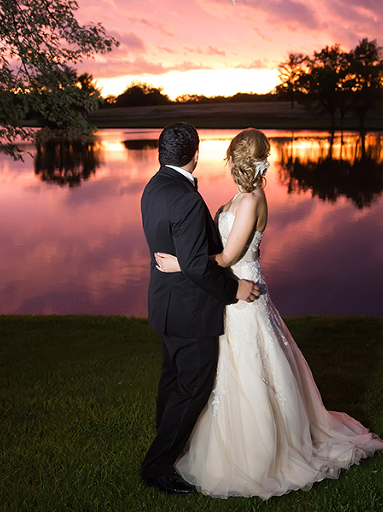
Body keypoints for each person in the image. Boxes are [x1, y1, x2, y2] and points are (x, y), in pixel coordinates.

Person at [154, 128, 383, 499]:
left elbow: (229, 257)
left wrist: (180, 265)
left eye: (232, 157)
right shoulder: (242, 195)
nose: (228, 162)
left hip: (244, 294)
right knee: (226, 370)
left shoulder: (251, 200)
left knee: (253, 369)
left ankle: (260, 454)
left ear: (238, 160)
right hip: (229, 294)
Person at [139, 122, 261, 495]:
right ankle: (158, 465)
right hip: (191, 311)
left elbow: (180, 254)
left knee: (173, 379)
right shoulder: (187, 198)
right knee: (194, 386)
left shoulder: (153, 187)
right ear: (195, 154)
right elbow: (195, 265)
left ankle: (166, 437)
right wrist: (235, 289)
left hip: (166, 305)